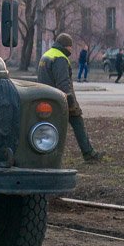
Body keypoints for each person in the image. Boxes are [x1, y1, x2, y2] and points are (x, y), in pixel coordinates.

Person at [38, 33, 103, 162]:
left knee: (49, 128)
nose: (71, 50)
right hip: (60, 101)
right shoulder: (60, 58)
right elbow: (63, 83)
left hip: (46, 99)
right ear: (65, 46)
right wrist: (71, 103)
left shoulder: (46, 55)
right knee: (77, 122)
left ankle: (45, 155)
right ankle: (88, 154)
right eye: (70, 47)